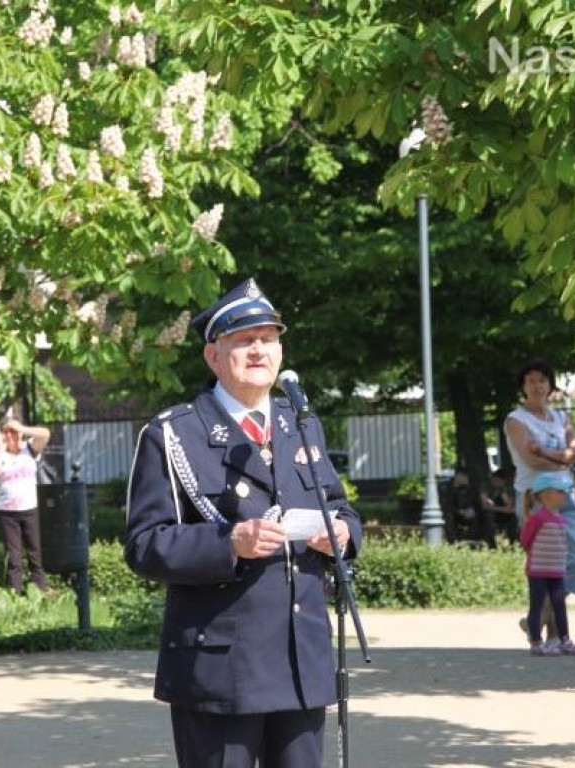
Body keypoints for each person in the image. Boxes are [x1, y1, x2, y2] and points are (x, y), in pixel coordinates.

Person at [124, 277, 361, 768]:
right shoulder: (173, 434)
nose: (259, 350)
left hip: (301, 660)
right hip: (222, 667)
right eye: (243, 340)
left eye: (268, 339)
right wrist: (230, 542)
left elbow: (342, 508)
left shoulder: (301, 423)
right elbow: (145, 544)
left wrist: (341, 532)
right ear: (214, 356)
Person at [504, 358, 575, 643]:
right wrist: (559, 457)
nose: (537, 385)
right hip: (536, 497)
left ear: (550, 385)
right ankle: (557, 636)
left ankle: (536, 619)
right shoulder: (516, 420)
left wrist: (546, 452)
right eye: (530, 380)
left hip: (565, 494)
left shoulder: (561, 418)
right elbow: (531, 459)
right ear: (523, 387)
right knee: (549, 565)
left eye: (542, 379)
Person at [520, 472, 575, 657]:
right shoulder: (538, 518)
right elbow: (525, 540)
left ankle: (565, 639)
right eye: (563, 491)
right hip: (538, 571)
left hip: (557, 571)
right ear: (547, 494)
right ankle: (536, 642)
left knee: (559, 606)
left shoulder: (560, 519)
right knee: (537, 605)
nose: (566, 495)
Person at [0, 417, 51, 593]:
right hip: (7, 513)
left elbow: (46, 434)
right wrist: (1, 448)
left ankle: (39, 590)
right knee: (13, 558)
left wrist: (21, 427)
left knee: (34, 553)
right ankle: (15, 593)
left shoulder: (29, 449)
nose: (10, 435)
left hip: (29, 510)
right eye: (6, 431)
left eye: (12, 431)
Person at [481, 468, 517, 543]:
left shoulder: (500, 487)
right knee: (489, 516)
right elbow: (484, 506)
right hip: (481, 512)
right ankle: (491, 543)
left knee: (513, 516)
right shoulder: (485, 486)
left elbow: (509, 505)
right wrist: (503, 509)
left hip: (494, 510)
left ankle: (513, 541)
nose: (502, 484)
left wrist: (497, 508)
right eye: (500, 482)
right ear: (495, 479)